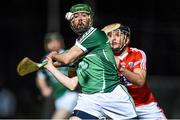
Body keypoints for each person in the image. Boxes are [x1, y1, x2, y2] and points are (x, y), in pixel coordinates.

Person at [44, 3, 137, 119]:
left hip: (113, 96)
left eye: (84, 15)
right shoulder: (78, 49)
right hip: (90, 100)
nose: (80, 19)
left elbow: (66, 58)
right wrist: (50, 67)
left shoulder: (95, 35)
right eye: (76, 16)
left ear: (90, 19)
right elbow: (72, 84)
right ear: (71, 22)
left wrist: (54, 55)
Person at [102, 23, 167, 119]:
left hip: (144, 105)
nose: (113, 39)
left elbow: (140, 81)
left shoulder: (137, 54)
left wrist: (121, 68)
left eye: (117, 35)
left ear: (126, 38)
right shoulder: (102, 57)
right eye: (110, 36)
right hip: (117, 107)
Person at [36, 32, 78, 119]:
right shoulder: (45, 60)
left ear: (61, 42)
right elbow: (40, 77)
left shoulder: (67, 55)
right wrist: (44, 88)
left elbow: (75, 73)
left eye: (56, 41)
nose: (53, 44)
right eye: (50, 42)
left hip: (71, 94)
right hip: (58, 97)